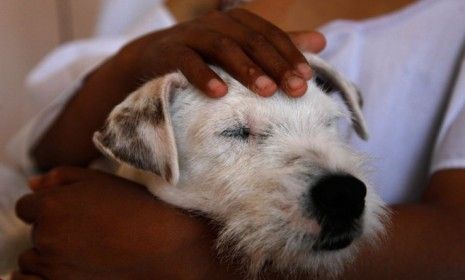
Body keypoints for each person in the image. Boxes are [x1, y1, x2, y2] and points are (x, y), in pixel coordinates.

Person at [6, 0, 465, 279]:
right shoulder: (196, 10)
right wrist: (134, 59)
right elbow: (39, 154)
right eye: (237, 131)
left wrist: (180, 255)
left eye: (330, 122)